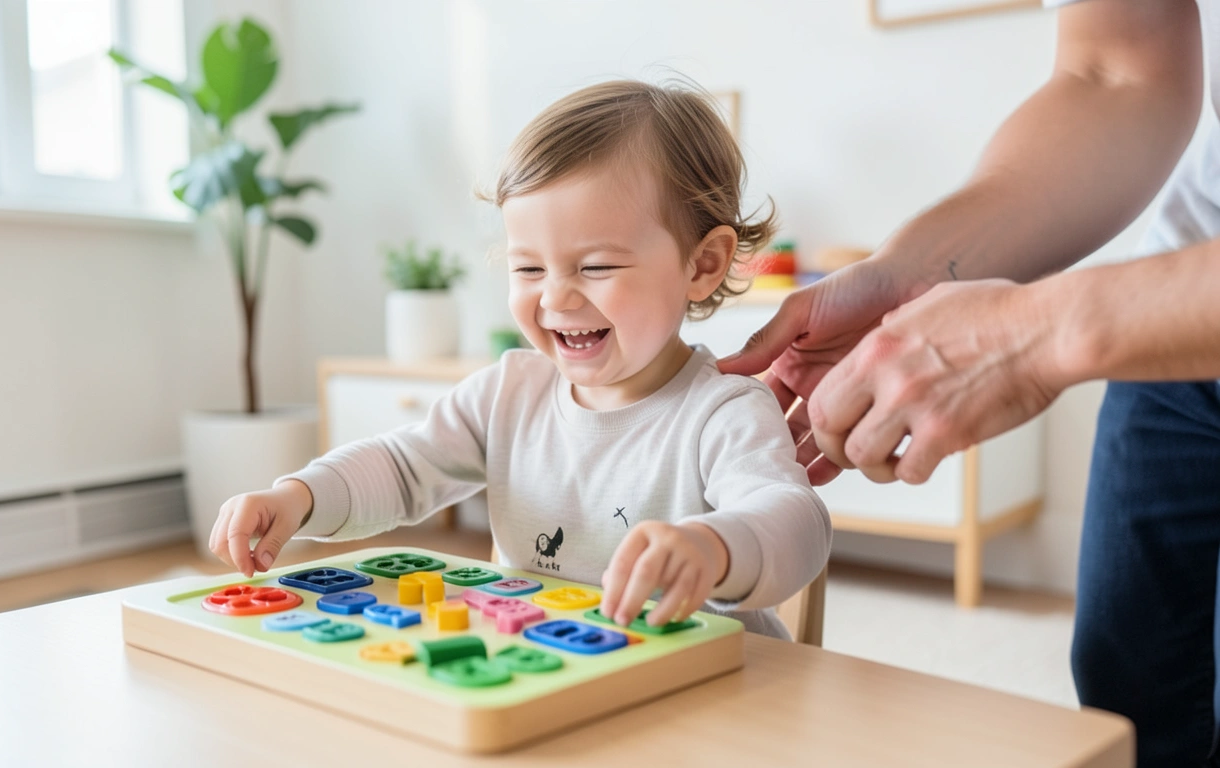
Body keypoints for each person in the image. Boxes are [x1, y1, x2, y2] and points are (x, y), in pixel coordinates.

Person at [719, 0, 1220, 763]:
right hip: (1177, 294)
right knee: (1131, 680)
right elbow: (1113, 72)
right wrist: (901, 276)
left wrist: (1040, 331)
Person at [209, 79, 832, 639]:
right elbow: (401, 467)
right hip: (550, 677)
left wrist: (715, 547)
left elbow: (794, 523)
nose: (556, 296)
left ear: (702, 265)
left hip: (712, 694)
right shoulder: (509, 392)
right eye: (528, 267)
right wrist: (299, 496)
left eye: (595, 267)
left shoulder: (723, 410)